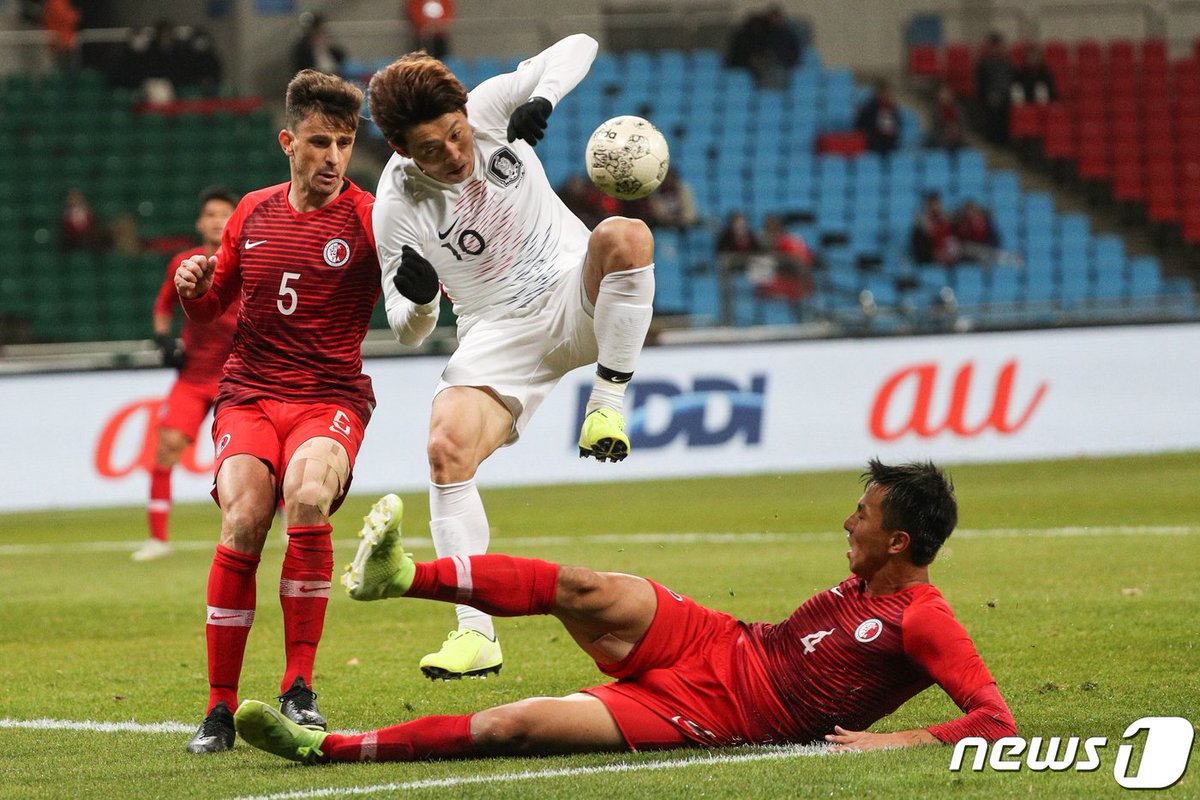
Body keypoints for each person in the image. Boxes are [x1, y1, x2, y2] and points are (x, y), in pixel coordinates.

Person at [234, 459, 1017, 763]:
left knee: (515, 726)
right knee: (588, 587)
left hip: (725, 708)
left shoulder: (924, 618)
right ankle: (401, 576)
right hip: (725, 639)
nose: (849, 522)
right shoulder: (864, 585)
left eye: (864, 514)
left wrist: (898, 741)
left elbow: (995, 722)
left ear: (899, 540)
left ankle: (324, 748)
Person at [364, 34, 656, 680]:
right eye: (429, 150)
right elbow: (407, 329)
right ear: (399, 150)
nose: (452, 155)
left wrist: (544, 97)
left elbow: (581, 43)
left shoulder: (493, 107)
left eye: (455, 135)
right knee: (446, 447)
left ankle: (606, 408)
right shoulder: (395, 207)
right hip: (497, 333)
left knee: (626, 236)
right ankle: (476, 635)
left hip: (572, 291)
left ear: (466, 113)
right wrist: (416, 301)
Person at [174, 69, 382, 753]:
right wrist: (194, 286)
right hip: (251, 394)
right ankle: (218, 710)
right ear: (287, 141)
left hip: (330, 396)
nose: (332, 157)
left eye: (344, 143)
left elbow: (421, 290)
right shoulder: (252, 212)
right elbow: (211, 307)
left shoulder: (370, 219)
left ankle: (299, 687)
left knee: (308, 495)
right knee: (242, 521)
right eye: (319, 141)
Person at [132, 187, 240, 562]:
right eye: (210, 214)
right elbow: (164, 304)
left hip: (238, 378)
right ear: (200, 222)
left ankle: (277, 524)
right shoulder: (184, 261)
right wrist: (163, 339)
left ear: (235, 221)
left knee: (252, 458)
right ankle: (158, 539)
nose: (216, 220)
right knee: (166, 448)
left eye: (224, 214)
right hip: (194, 375)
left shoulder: (247, 259)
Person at [726, 4, 803, 89]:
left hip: (781, 65)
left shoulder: (788, 34)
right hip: (746, 66)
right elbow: (739, 54)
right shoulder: (747, 36)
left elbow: (794, 52)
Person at [975, 32, 1014, 144]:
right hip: (991, 95)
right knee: (994, 117)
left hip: (1006, 94)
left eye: (999, 45)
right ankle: (994, 140)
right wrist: (986, 95)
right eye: (995, 46)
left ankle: (1005, 140)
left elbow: (1010, 78)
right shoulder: (984, 62)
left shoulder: (1006, 61)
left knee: (1006, 118)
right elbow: (981, 82)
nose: (997, 48)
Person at [910, 192, 959, 266]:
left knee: (952, 244)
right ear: (928, 204)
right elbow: (926, 234)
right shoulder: (921, 219)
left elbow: (950, 233)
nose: (934, 206)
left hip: (946, 248)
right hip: (929, 252)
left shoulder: (947, 216)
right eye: (932, 203)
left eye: (936, 203)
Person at [854, 79, 902, 155]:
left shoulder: (893, 109)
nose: (886, 95)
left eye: (887, 93)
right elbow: (860, 125)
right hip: (874, 146)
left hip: (890, 145)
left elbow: (898, 125)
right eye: (883, 92)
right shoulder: (869, 109)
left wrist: (892, 132)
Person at [291, 12, 346, 76]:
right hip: (315, 75)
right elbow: (301, 65)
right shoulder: (302, 46)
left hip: (334, 72)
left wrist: (330, 46)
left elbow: (342, 57)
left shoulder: (326, 39)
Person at [954, 200, 1001, 265]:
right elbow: (960, 239)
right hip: (967, 250)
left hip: (984, 249)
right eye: (969, 211)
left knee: (995, 255)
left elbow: (995, 239)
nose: (971, 213)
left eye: (973, 210)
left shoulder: (986, 223)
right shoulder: (962, 224)